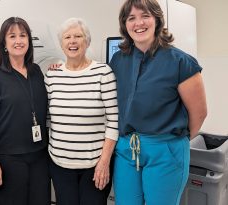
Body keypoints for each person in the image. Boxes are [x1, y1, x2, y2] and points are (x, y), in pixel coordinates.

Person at [109, 0, 208, 205]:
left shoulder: (181, 62)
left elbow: (199, 113)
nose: (139, 23)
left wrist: (172, 144)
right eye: (131, 18)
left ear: (157, 19)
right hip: (127, 150)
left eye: (145, 16)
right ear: (125, 24)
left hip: (165, 150)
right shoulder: (118, 60)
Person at [0, 17, 50, 205]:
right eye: (12, 36)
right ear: (4, 44)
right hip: (9, 160)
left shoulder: (36, 72)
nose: (19, 41)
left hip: (40, 156)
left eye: (23, 35)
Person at [45, 17, 119, 205]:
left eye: (78, 36)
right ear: (61, 44)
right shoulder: (52, 75)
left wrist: (104, 162)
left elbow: (113, 121)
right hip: (59, 164)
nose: (72, 41)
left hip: (94, 165)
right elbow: (46, 118)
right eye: (67, 37)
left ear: (87, 41)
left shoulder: (103, 73)